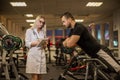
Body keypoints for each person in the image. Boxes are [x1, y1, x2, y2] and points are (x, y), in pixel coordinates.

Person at [60, 12, 120, 79]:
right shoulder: (72, 30)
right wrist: (67, 41)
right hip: (93, 55)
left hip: (100, 52)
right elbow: (65, 43)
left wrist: (68, 41)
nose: (63, 24)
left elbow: (69, 44)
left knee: (117, 69)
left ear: (69, 19)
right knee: (100, 74)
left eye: (64, 21)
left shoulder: (78, 27)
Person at [25, 15, 47, 80]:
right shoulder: (29, 31)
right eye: (40, 21)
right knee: (34, 77)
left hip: (41, 56)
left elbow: (44, 46)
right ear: (36, 21)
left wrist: (44, 45)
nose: (41, 24)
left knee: (40, 77)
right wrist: (36, 42)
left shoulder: (43, 32)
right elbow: (27, 43)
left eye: (43, 23)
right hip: (33, 56)